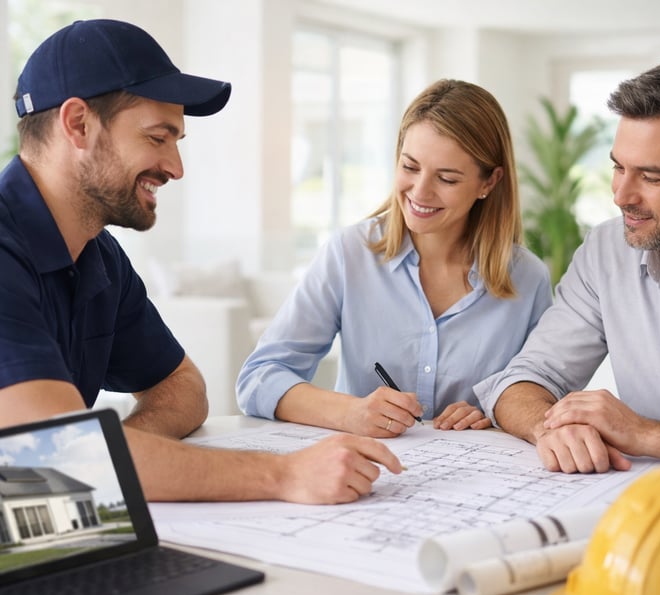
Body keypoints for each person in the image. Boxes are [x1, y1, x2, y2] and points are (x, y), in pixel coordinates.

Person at [0, 18, 403, 504]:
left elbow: (183, 389)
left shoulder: (97, 255)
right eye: (157, 137)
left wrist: (129, 454)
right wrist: (285, 475)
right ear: (78, 124)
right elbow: (61, 452)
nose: (175, 167)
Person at [475, 59, 660, 474]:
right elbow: (526, 379)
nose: (621, 195)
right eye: (618, 167)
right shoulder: (605, 251)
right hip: (642, 509)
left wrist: (646, 434)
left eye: (651, 177)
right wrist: (551, 429)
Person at [236, 79, 553, 437]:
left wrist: (496, 413)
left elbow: (543, 398)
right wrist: (349, 411)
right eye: (410, 167)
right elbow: (259, 377)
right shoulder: (349, 254)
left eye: (446, 178)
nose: (420, 192)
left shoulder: (528, 280)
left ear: (489, 182)